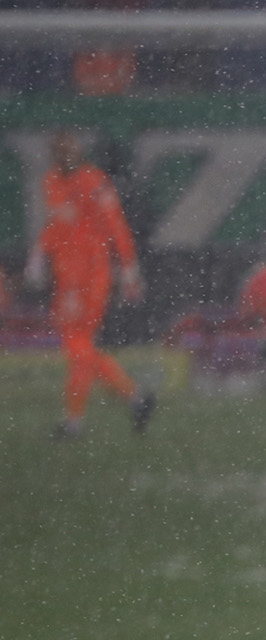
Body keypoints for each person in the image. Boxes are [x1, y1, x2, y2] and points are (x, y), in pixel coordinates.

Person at [25, 131, 155, 440]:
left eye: (70, 148)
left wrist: (128, 268)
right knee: (81, 347)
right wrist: (40, 254)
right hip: (67, 274)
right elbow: (57, 224)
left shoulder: (94, 182)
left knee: (77, 344)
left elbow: (115, 225)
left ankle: (80, 419)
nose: (65, 155)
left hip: (90, 274)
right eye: (60, 149)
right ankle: (133, 398)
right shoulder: (52, 182)